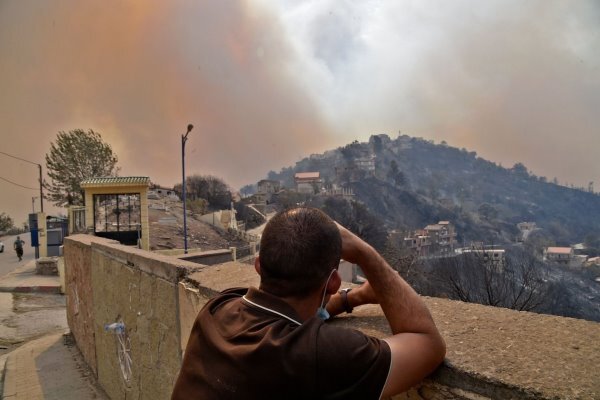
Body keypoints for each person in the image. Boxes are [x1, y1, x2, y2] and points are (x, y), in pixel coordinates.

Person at [172, 207, 445, 399]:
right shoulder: (319, 354)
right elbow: (428, 343)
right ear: (334, 282)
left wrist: (354, 298)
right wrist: (365, 253)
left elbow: (290, 320)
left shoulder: (219, 307)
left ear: (258, 265)